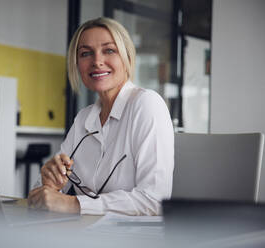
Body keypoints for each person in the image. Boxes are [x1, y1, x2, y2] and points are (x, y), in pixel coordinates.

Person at [27, 17, 174, 216]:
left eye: (109, 50)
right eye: (86, 53)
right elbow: (41, 196)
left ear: (127, 57)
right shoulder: (84, 119)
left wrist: (74, 204)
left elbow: (155, 201)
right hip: (87, 234)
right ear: (77, 64)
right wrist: (49, 185)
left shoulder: (147, 104)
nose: (96, 61)